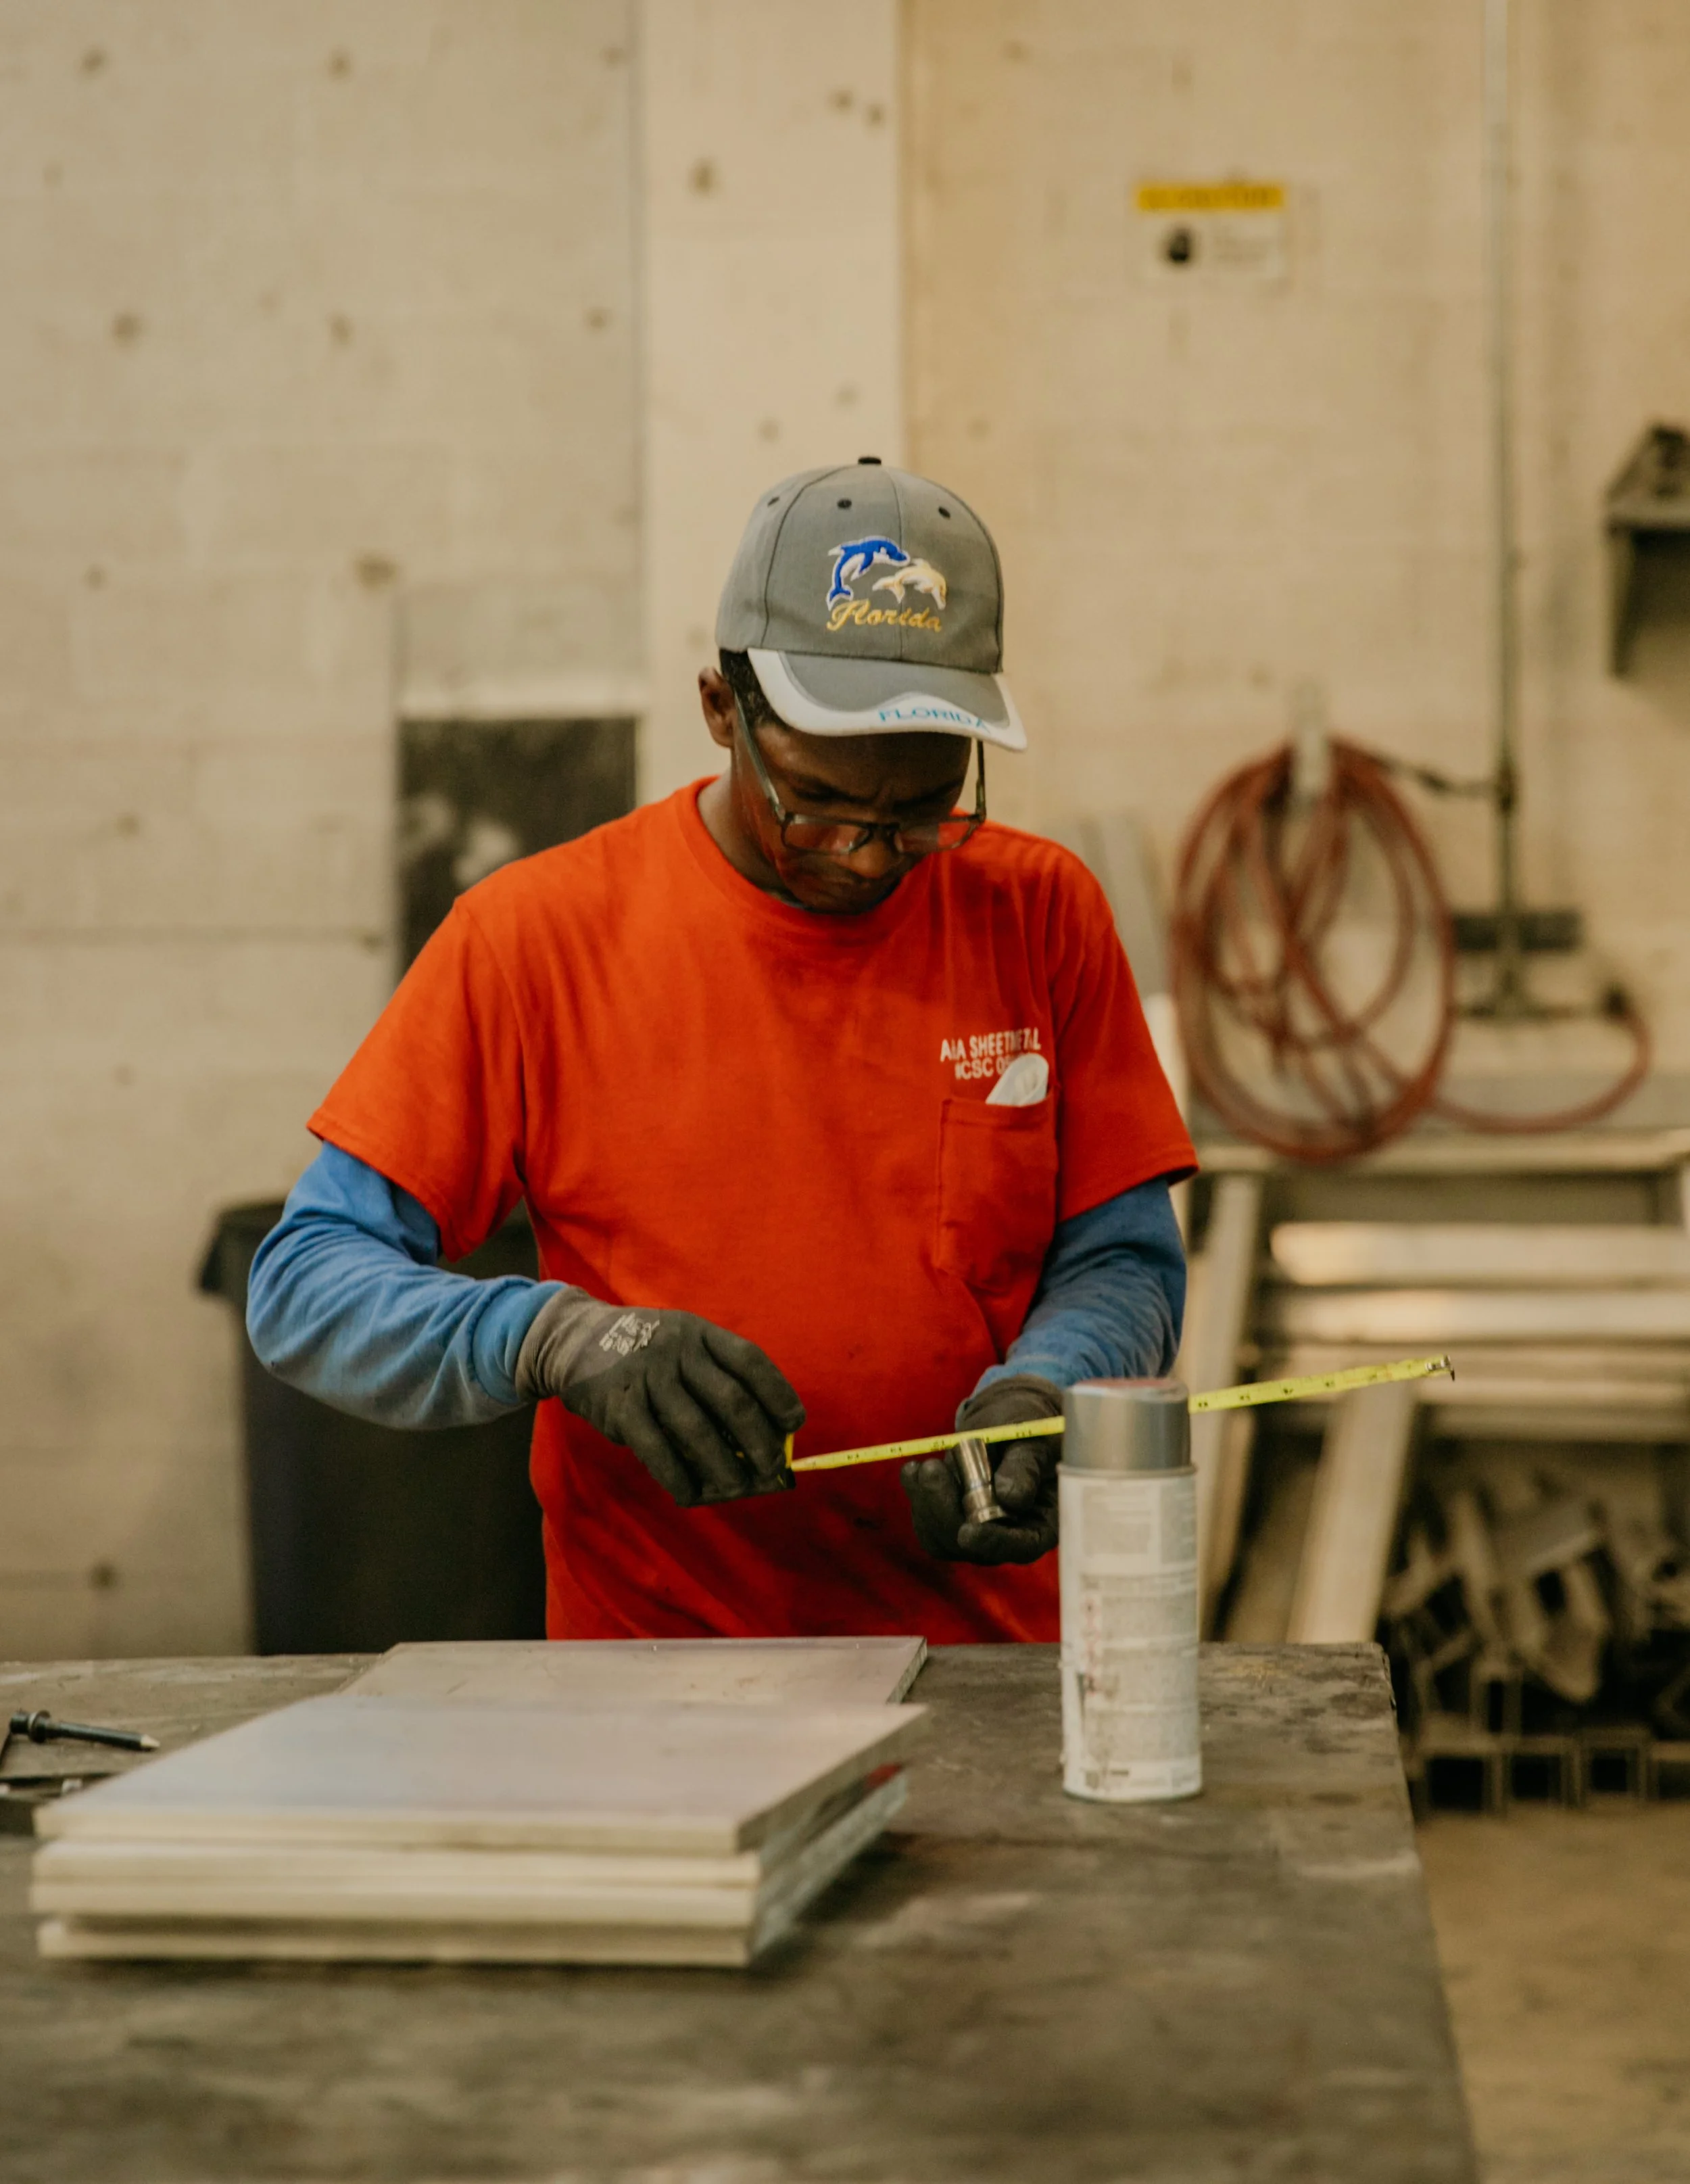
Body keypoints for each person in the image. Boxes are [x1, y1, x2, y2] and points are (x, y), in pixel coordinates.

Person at [247, 458, 1195, 1642]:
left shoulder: (1040, 914)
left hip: (989, 1667)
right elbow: (303, 1286)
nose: (867, 855)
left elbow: (1126, 1259)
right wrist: (551, 1337)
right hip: (656, 1674)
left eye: (921, 811)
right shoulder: (538, 940)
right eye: (818, 802)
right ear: (719, 709)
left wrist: (1044, 1386)